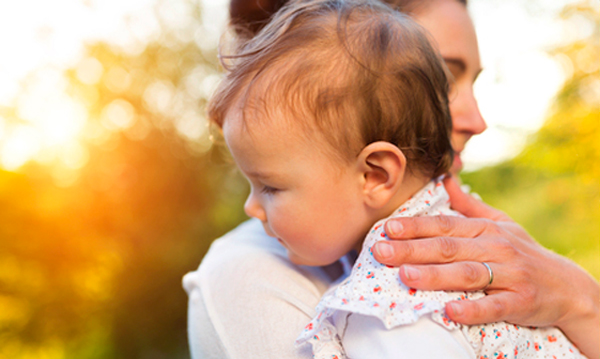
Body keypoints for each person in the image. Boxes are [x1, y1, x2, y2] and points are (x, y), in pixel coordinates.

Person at [182, 0, 600, 358]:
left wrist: (582, 302)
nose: (478, 121)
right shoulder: (253, 277)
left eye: (470, 81)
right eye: (442, 78)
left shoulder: (401, 286)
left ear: (378, 174)